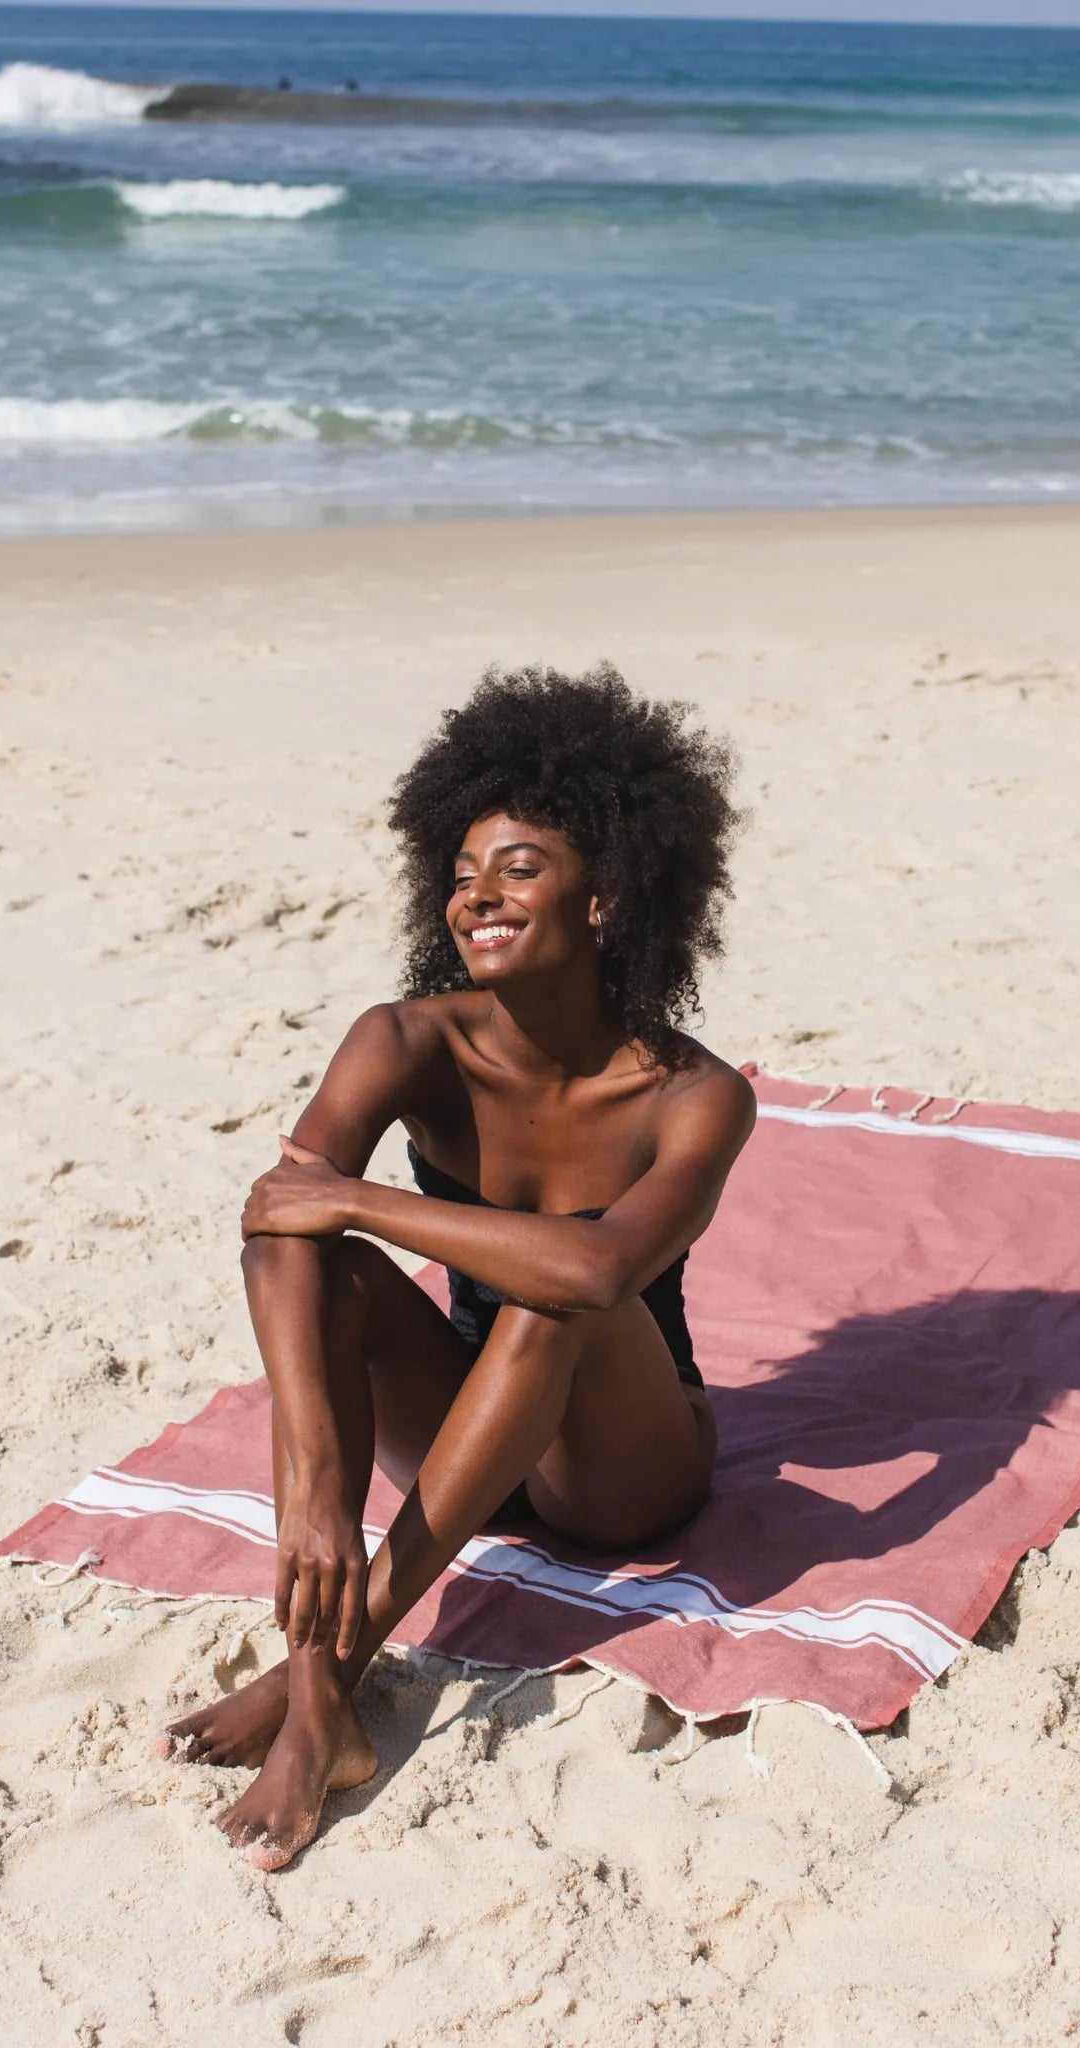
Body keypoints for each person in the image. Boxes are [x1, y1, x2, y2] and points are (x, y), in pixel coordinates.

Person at [156, 663, 755, 1869]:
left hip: (620, 1467)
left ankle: (328, 1672)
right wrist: (321, 1490)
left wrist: (356, 1196)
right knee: (327, 1269)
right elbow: (278, 1226)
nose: (475, 896)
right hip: (467, 1440)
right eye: (461, 873)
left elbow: (596, 1268)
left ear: (607, 894)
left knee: (552, 1293)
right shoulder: (403, 1039)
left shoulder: (695, 1093)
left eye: (518, 868)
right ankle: (322, 1699)